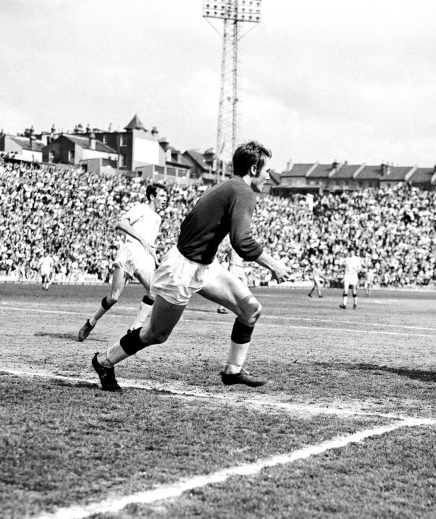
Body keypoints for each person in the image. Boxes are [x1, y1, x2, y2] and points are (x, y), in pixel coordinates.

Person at [90, 141, 290, 392]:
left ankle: (233, 371)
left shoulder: (229, 187)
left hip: (204, 264)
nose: (269, 175)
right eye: (266, 170)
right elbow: (241, 241)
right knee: (155, 334)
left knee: (250, 310)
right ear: (253, 169)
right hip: (182, 269)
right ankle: (104, 361)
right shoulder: (243, 192)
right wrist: (273, 264)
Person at [78, 183, 167, 341]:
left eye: (166, 197)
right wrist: (142, 239)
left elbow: (150, 244)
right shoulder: (141, 208)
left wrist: (156, 258)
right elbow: (122, 224)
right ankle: (91, 323)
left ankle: (134, 329)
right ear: (152, 197)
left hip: (144, 255)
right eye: (162, 196)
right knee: (113, 297)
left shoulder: (158, 218)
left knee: (154, 292)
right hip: (130, 251)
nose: (165, 199)